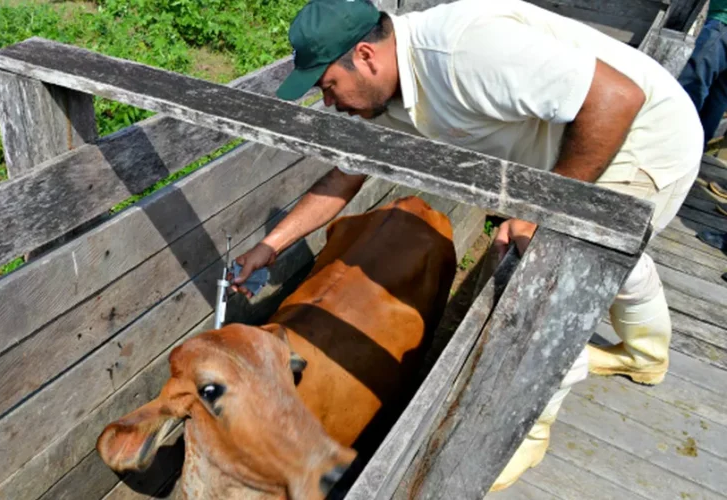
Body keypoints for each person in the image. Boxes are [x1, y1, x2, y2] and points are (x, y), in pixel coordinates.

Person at [230, 0, 703, 491]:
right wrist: (272, 244)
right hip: (576, 139)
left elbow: (615, 98)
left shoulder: (460, 52)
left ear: (367, 56)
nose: (328, 102)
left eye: (328, 86)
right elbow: (345, 173)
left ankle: (524, 436)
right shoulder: (389, 94)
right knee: (611, 263)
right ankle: (646, 357)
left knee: (548, 281)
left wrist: (542, 213)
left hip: (641, 140)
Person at [678, 1, 727, 152]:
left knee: (692, 81)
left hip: (723, 23)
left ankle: (674, 142)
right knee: (718, 96)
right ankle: (694, 150)